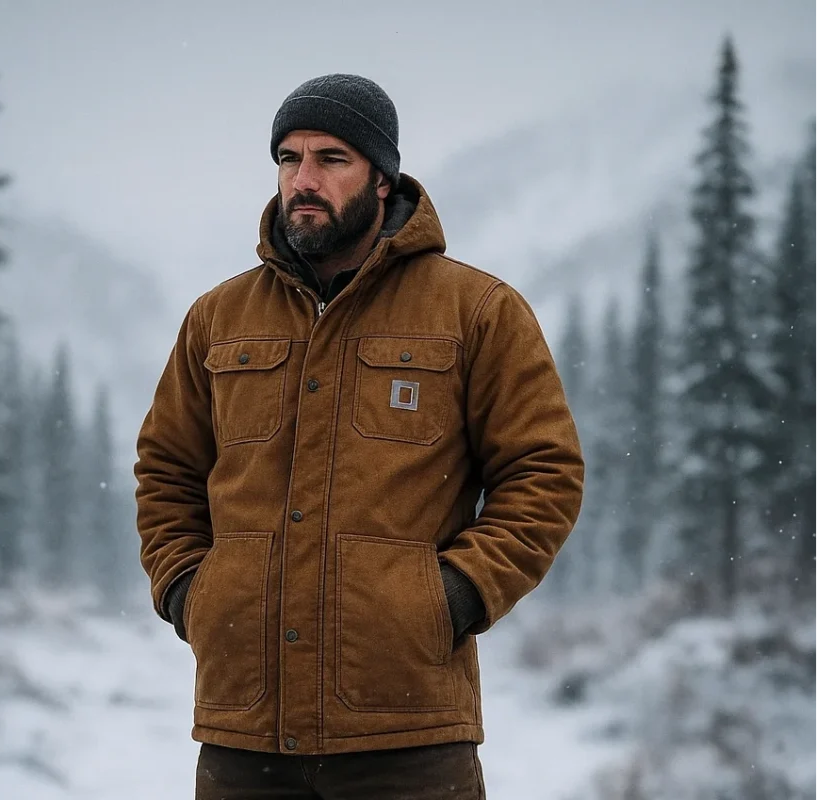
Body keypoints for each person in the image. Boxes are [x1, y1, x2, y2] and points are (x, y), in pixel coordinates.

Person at [134, 73, 585, 799]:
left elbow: (543, 473)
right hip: (242, 732)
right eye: (288, 158)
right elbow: (167, 470)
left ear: (381, 178)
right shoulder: (217, 319)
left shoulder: (477, 311)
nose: (302, 180)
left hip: (406, 737)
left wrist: (453, 595)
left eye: (331, 159)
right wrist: (190, 589)